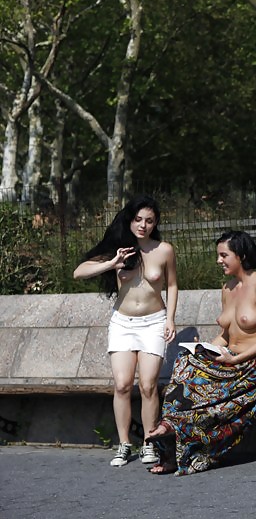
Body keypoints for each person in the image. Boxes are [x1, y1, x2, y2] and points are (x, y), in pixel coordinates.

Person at [144, 230, 256, 475]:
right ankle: (170, 427)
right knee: (186, 362)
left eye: (223, 255)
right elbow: (227, 335)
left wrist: (235, 358)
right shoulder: (227, 288)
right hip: (230, 358)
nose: (219, 260)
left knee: (203, 394)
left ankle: (179, 442)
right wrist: (205, 348)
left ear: (241, 255)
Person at [73, 195, 177, 468]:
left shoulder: (164, 250)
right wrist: (112, 264)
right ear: (130, 220)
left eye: (149, 221)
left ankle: (149, 444)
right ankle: (123, 444)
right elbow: (79, 272)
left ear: (156, 223)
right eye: (138, 219)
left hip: (153, 322)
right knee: (121, 385)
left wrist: (170, 319)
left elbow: (172, 285)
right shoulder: (120, 248)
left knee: (148, 385)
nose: (143, 225)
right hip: (122, 323)